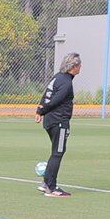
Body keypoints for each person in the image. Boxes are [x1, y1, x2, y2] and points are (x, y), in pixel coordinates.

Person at [37, 53, 80, 196]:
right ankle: (51, 187)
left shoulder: (57, 77)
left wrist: (40, 110)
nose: (80, 68)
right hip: (59, 122)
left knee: (55, 151)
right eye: (79, 65)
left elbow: (46, 95)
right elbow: (55, 100)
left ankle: (46, 183)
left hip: (50, 121)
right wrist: (42, 110)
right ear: (73, 67)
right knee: (58, 152)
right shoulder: (66, 83)